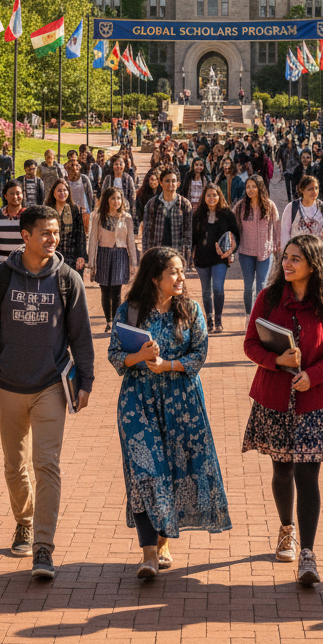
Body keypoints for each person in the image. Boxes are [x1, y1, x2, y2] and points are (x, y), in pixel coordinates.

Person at [0, 204, 95, 579]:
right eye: (45, 233)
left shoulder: (67, 278)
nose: (52, 239)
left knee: (47, 465)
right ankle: (23, 520)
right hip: (7, 385)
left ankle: (43, 546)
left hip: (50, 386)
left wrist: (86, 381)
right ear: (25, 236)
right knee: (15, 466)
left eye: (56, 233)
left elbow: (81, 334)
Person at [108, 247, 232, 578]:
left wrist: (167, 365)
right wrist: (139, 357)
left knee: (177, 473)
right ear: (154, 278)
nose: (180, 277)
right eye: (173, 272)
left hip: (183, 404)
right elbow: (115, 353)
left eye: (181, 271)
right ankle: (148, 554)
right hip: (138, 403)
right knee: (146, 474)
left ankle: (163, 542)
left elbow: (199, 354)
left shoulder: (191, 310)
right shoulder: (131, 310)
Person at [243, 234, 323, 585]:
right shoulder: (268, 297)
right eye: (285, 257)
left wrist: (312, 375)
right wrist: (277, 361)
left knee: (308, 476)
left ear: (313, 265)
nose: (287, 264)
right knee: (283, 469)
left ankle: (308, 553)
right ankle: (286, 528)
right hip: (274, 398)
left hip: (314, 401)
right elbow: (250, 344)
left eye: (295, 259)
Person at [88, 187, 138, 333]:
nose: (116, 201)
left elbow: (130, 240)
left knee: (116, 291)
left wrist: (133, 262)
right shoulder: (98, 217)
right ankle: (108, 321)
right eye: (113, 198)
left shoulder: (126, 218)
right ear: (107, 200)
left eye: (118, 198)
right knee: (105, 290)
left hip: (120, 255)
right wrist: (92, 262)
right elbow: (93, 240)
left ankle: (116, 322)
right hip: (103, 254)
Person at [192, 183, 239, 333]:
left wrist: (231, 251)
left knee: (218, 288)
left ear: (219, 196)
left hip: (220, 259)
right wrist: (190, 255)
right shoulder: (198, 215)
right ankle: (210, 320)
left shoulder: (227, 214)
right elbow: (192, 238)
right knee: (206, 291)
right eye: (208, 195)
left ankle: (218, 319)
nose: (212, 198)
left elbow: (236, 236)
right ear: (204, 197)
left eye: (214, 195)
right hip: (202, 258)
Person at [233, 175, 280, 315]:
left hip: (265, 253)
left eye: (254, 186)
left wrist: (278, 246)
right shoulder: (241, 206)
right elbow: (230, 222)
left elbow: (277, 226)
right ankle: (249, 315)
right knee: (248, 287)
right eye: (248, 187)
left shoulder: (269, 205)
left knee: (262, 286)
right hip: (246, 253)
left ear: (260, 188)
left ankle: (259, 316)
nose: (251, 189)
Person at [142, 167, 194, 270]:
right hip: (157, 252)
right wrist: (146, 255)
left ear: (178, 183)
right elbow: (146, 233)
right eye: (167, 181)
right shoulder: (152, 204)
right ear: (161, 183)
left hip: (177, 252)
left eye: (173, 181)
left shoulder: (184, 204)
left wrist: (187, 257)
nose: (171, 184)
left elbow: (188, 233)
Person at [46, 179, 88, 272]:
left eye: (65, 190)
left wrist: (81, 256)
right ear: (54, 193)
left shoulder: (74, 210)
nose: (62, 193)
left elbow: (80, 235)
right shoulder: (48, 211)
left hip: (71, 256)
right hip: (52, 256)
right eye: (59, 190)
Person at [280, 176, 323, 246]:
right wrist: (286, 251)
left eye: (316, 188)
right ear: (301, 190)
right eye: (310, 189)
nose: (314, 191)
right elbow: (285, 233)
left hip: (315, 251)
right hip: (296, 250)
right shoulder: (292, 207)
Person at [135, 168, 162, 235]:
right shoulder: (142, 194)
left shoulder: (163, 193)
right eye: (151, 180)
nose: (153, 182)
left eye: (156, 180)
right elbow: (139, 211)